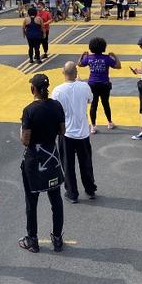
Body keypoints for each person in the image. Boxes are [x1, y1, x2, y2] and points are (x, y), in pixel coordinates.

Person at [18, 73, 66, 253]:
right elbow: (62, 131)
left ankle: (33, 239)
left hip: (34, 162)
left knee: (32, 202)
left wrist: (21, 130)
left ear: (33, 89)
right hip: (51, 159)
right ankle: (58, 238)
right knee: (56, 200)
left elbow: (25, 140)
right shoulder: (56, 106)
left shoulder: (29, 110)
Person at [52, 62, 97, 203]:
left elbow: (55, 110)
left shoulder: (57, 91)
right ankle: (90, 189)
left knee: (68, 164)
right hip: (83, 132)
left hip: (66, 133)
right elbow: (91, 99)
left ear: (62, 72)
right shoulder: (84, 86)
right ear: (76, 72)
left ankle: (72, 193)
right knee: (86, 163)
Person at [79, 37, 121, 134]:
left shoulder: (88, 58)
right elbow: (118, 66)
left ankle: (93, 126)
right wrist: (115, 56)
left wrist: (82, 55)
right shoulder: (107, 58)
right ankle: (110, 122)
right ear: (103, 47)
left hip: (92, 84)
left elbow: (80, 64)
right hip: (104, 84)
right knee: (106, 103)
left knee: (94, 105)